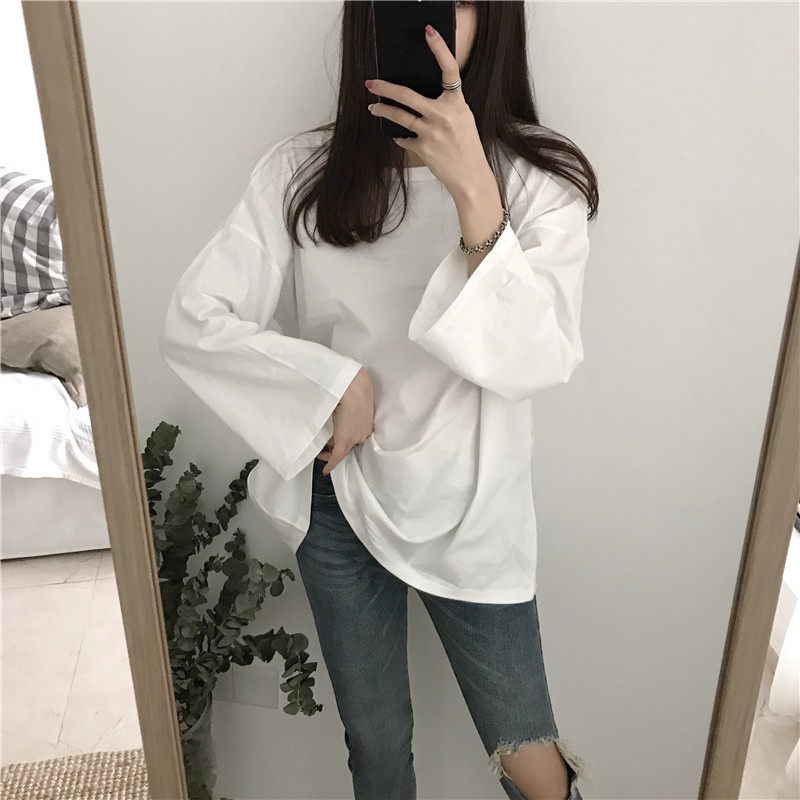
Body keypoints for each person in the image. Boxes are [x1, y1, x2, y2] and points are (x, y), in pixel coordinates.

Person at [159, 3, 598, 798]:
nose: (433, 20)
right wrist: (333, 384)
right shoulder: (302, 171)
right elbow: (195, 319)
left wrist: (473, 190)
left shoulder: (538, 181)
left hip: (475, 507)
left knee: (531, 756)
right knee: (376, 741)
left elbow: (534, 360)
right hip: (340, 499)